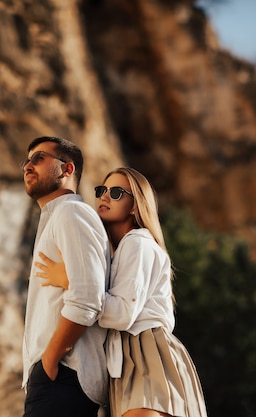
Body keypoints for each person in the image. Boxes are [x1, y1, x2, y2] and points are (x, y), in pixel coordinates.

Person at [34, 167, 207, 417]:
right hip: (130, 358)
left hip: (146, 352)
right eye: (101, 190)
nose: (104, 196)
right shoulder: (123, 250)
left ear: (135, 206)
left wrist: (72, 281)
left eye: (116, 193)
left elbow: (123, 314)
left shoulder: (137, 242)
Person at [21, 136, 111, 417]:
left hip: (64, 375)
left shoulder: (71, 213)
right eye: (26, 160)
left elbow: (86, 297)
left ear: (67, 170)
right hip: (56, 378)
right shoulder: (58, 216)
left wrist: (50, 359)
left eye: (38, 158)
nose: (27, 166)